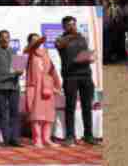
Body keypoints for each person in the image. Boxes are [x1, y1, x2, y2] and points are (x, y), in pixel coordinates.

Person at [55, 16, 97, 147]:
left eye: (74, 24)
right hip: (70, 76)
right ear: (64, 27)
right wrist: (71, 35)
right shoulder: (60, 39)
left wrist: (90, 57)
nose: (73, 26)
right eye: (69, 25)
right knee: (70, 107)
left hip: (86, 75)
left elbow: (87, 52)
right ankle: (70, 136)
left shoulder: (82, 38)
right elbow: (60, 45)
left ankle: (88, 135)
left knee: (87, 107)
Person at [24, 33, 61, 148]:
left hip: (47, 87)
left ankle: (46, 139)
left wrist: (57, 85)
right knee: (36, 115)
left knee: (48, 115)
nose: (38, 42)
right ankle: (37, 140)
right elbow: (25, 53)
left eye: (39, 39)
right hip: (34, 88)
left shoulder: (46, 53)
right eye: (34, 40)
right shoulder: (28, 53)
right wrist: (38, 42)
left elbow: (52, 69)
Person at [0, 30, 23, 147]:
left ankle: (15, 139)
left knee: (14, 113)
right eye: (2, 37)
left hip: (14, 86)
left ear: (10, 38)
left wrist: (19, 71)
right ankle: (6, 139)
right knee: (3, 114)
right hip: (0, 86)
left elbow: (20, 69)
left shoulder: (14, 51)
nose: (5, 39)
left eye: (7, 37)